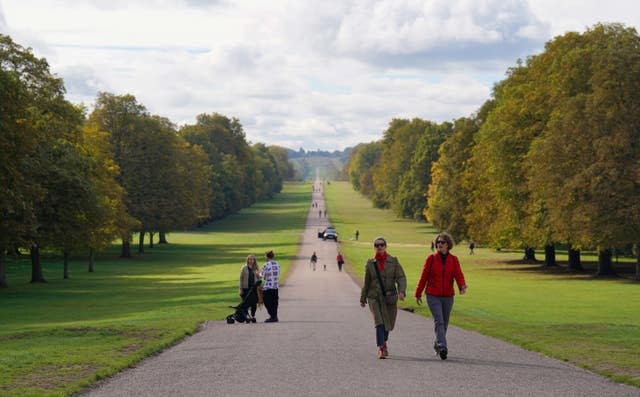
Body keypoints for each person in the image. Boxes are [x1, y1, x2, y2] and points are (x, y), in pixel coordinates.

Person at [414, 232, 467, 360]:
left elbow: (458, 274)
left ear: (448, 244)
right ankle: (443, 346)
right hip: (433, 295)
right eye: (437, 242)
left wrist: (462, 286)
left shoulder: (454, 260)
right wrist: (418, 293)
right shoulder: (431, 259)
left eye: (442, 242)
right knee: (439, 321)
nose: (439, 244)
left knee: (445, 322)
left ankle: (438, 342)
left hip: (448, 296)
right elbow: (424, 277)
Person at [360, 237, 407, 359]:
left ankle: (384, 342)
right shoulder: (370, 263)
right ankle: (381, 348)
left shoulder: (394, 261)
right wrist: (363, 298)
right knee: (379, 322)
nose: (379, 247)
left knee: (388, 324)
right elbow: (366, 282)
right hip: (374, 297)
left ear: (386, 246)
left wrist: (401, 291)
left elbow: (401, 277)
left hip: (389, 298)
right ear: (374, 247)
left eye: (382, 245)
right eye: (377, 245)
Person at [239, 254, 260, 322]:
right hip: (245, 288)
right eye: (249, 259)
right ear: (247, 260)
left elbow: (259, 278)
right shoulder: (244, 268)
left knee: (254, 303)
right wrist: (240, 289)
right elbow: (241, 279)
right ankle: (245, 317)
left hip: (254, 289)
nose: (251, 261)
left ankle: (253, 315)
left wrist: (258, 275)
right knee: (245, 304)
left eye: (252, 259)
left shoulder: (256, 268)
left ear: (254, 260)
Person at [260, 250, 280, 322]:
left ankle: (273, 316)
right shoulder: (277, 264)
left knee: (267, 302)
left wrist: (257, 273)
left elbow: (261, 275)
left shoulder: (266, 265)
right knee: (275, 302)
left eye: (265, 256)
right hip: (275, 286)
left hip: (268, 287)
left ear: (267, 256)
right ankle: (275, 316)